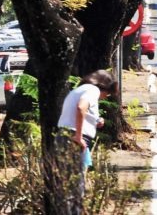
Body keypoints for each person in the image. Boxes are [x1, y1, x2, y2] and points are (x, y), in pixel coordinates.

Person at [57, 70, 117, 211]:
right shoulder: (92, 90)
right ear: (104, 87)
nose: (105, 97)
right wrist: (78, 136)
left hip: (65, 135)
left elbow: (79, 112)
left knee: (67, 184)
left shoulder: (79, 89)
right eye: (107, 94)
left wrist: (96, 120)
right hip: (75, 139)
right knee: (75, 187)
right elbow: (81, 107)